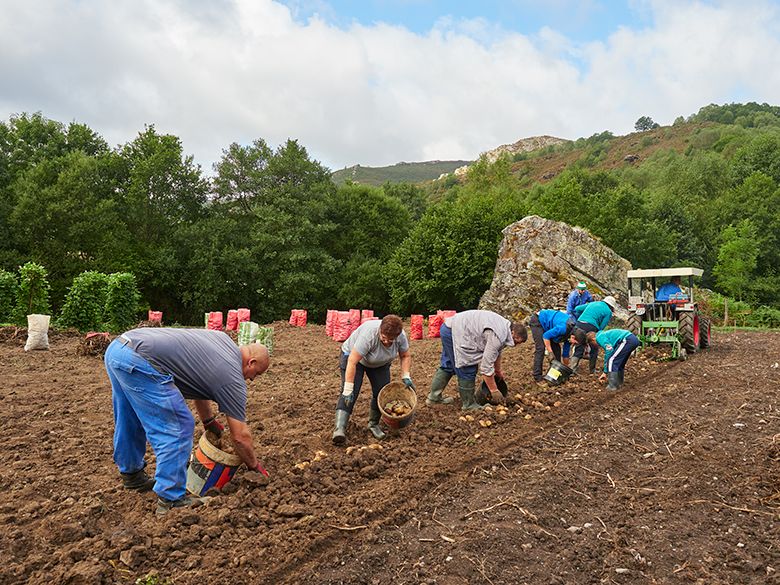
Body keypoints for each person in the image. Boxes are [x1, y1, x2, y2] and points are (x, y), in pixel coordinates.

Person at [104, 328, 270, 516]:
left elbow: (199, 384)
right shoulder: (232, 378)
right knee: (178, 426)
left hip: (118, 349)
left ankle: (132, 476)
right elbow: (240, 436)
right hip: (140, 361)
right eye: (256, 374)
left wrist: (208, 421)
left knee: (130, 416)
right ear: (252, 362)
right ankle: (171, 499)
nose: (252, 379)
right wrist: (254, 466)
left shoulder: (223, 341)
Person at [332, 315, 412, 445]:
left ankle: (373, 424)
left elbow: (405, 355)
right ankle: (339, 429)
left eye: (391, 340)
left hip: (379, 364)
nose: (387, 342)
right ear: (380, 330)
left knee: (381, 392)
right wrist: (348, 388)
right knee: (351, 391)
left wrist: (406, 375)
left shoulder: (400, 336)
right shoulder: (369, 335)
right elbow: (352, 361)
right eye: (384, 338)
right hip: (355, 360)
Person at [426, 310, 527, 410]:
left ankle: (434, 398)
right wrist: (494, 390)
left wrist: (497, 371)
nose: (515, 345)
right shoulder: (498, 335)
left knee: (449, 365)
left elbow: (497, 352)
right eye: (516, 341)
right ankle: (469, 405)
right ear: (513, 332)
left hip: (449, 328)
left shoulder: (505, 328)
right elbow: (486, 367)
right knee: (467, 366)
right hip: (456, 332)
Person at [570, 296, 617, 373]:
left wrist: (583, 316)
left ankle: (572, 369)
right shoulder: (608, 312)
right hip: (591, 326)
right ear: (612, 306)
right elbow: (602, 327)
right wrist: (597, 336)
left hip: (579, 324)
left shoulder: (593, 303)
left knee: (579, 347)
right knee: (594, 348)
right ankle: (592, 370)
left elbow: (577, 308)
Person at [529, 309, 576, 385]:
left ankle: (554, 375)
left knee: (557, 349)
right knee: (540, 348)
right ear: (573, 337)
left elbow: (565, 355)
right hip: (538, 320)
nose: (574, 344)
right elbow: (546, 336)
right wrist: (550, 352)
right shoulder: (563, 328)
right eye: (575, 342)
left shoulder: (570, 336)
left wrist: (566, 370)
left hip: (550, 327)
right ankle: (537, 377)